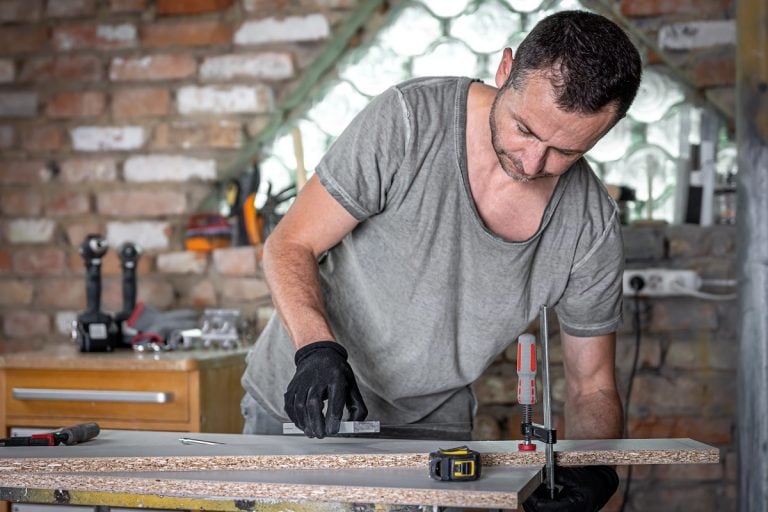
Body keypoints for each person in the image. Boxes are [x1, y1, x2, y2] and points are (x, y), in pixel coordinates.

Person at [241, 9, 641, 511]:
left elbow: (592, 385)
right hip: (306, 404)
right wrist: (315, 350)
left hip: (433, 429)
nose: (533, 162)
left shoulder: (589, 224)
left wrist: (595, 468)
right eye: (525, 129)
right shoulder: (408, 123)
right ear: (505, 70)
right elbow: (289, 244)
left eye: (565, 151)